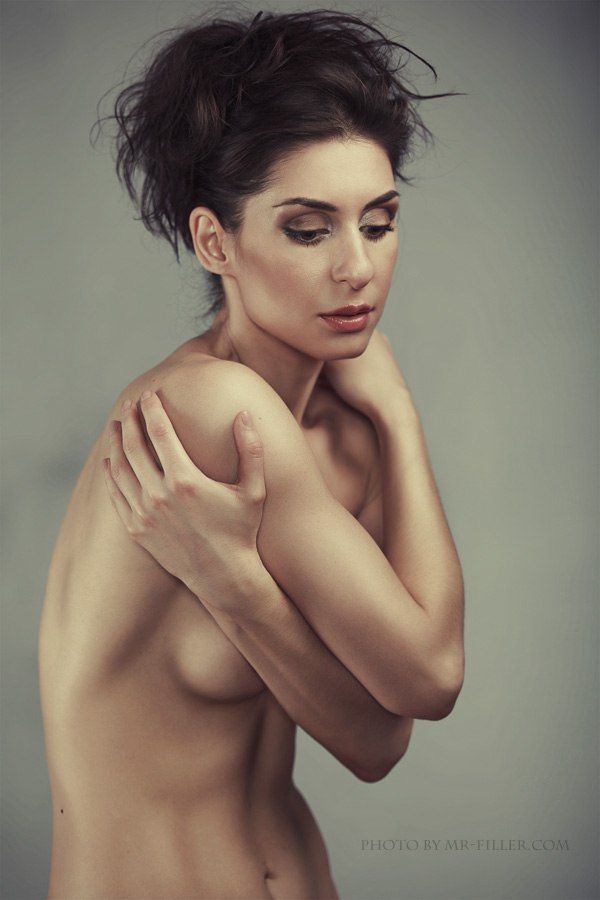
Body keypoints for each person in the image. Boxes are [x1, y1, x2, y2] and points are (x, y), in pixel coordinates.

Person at [39, 8, 465, 898]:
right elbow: (431, 674)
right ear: (214, 242)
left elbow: (381, 739)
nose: (357, 268)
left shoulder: (344, 440)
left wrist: (396, 417)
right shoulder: (207, 408)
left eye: (378, 223)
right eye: (309, 230)